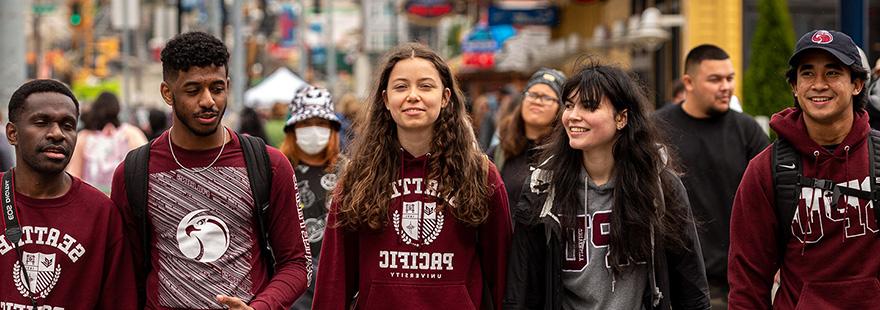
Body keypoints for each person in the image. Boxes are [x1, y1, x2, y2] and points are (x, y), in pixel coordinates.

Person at [110, 31, 311, 310]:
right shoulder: (134, 173)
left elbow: (297, 264)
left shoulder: (269, 165)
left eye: (217, 88)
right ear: (167, 93)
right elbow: (123, 275)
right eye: (193, 91)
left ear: (227, 85)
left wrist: (260, 307)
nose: (208, 101)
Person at [312, 43, 511, 310]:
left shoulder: (481, 175)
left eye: (426, 86)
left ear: (445, 97)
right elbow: (334, 279)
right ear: (385, 99)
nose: (413, 96)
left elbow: (503, 275)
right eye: (401, 87)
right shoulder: (357, 177)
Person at [504, 62, 709, 310]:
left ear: (621, 118)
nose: (573, 116)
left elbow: (691, 288)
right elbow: (522, 287)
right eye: (569, 105)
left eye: (589, 106)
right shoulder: (542, 188)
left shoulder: (660, 186)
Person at [729, 30, 877, 309]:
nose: (818, 84)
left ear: (857, 84)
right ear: (794, 87)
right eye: (807, 74)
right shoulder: (765, 170)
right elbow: (747, 282)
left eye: (832, 73)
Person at [0, 79, 136, 308]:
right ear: (12, 133)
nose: (57, 134)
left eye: (68, 125)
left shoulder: (101, 213)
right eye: (42, 122)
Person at [653, 44, 768, 309]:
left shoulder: (746, 130)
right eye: (715, 79)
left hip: (738, 279)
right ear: (688, 82)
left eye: (730, 78)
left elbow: (771, 197)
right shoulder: (657, 129)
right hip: (677, 279)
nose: (725, 86)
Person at [279, 86, 342, 310]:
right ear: (293, 128)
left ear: (333, 129)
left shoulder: (350, 171)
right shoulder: (277, 170)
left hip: (337, 280)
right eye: (306, 124)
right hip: (290, 286)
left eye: (322, 124)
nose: (314, 130)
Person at [489, 68, 566, 218]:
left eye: (547, 97)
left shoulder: (565, 155)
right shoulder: (500, 152)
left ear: (561, 108)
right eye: (532, 94)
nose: (537, 101)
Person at [67, 91, 148, 193]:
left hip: (92, 200)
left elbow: (73, 174)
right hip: (124, 200)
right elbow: (144, 169)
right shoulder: (131, 133)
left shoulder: (84, 137)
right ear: (118, 109)